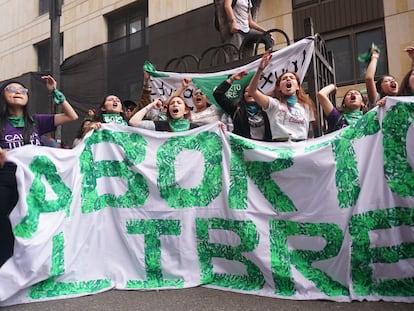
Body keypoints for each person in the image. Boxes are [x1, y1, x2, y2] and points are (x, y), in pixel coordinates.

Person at [0, 75, 78, 267]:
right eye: (12, 89)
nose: (18, 92)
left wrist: (55, 93)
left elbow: (71, 116)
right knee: (5, 223)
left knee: (34, 224)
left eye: (23, 90)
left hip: (33, 183)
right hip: (7, 180)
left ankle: (33, 267)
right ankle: (6, 267)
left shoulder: (36, 122)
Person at [247, 49, 316, 141]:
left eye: (292, 78)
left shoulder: (306, 106)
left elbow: (310, 132)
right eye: (284, 79)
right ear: (279, 87)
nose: (288, 79)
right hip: (281, 147)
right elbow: (252, 91)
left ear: (298, 86)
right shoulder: (273, 104)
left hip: (301, 147)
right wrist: (260, 70)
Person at [213, 70, 272, 141]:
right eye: (246, 91)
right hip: (243, 149)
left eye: (253, 91)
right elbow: (218, 94)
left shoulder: (267, 109)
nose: (249, 92)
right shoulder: (236, 109)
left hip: (264, 149)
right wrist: (232, 79)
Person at [129, 95, 200, 132]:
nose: (175, 104)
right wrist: (151, 105)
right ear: (169, 110)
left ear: (186, 111)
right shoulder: (160, 125)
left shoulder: (195, 129)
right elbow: (133, 122)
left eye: (179, 103)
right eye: (172, 103)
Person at [364, 42, 399, 108]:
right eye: (387, 81)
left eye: (394, 80)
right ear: (381, 89)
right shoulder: (378, 99)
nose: (392, 81)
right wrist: (375, 57)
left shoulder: (404, 98)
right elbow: (369, 78)